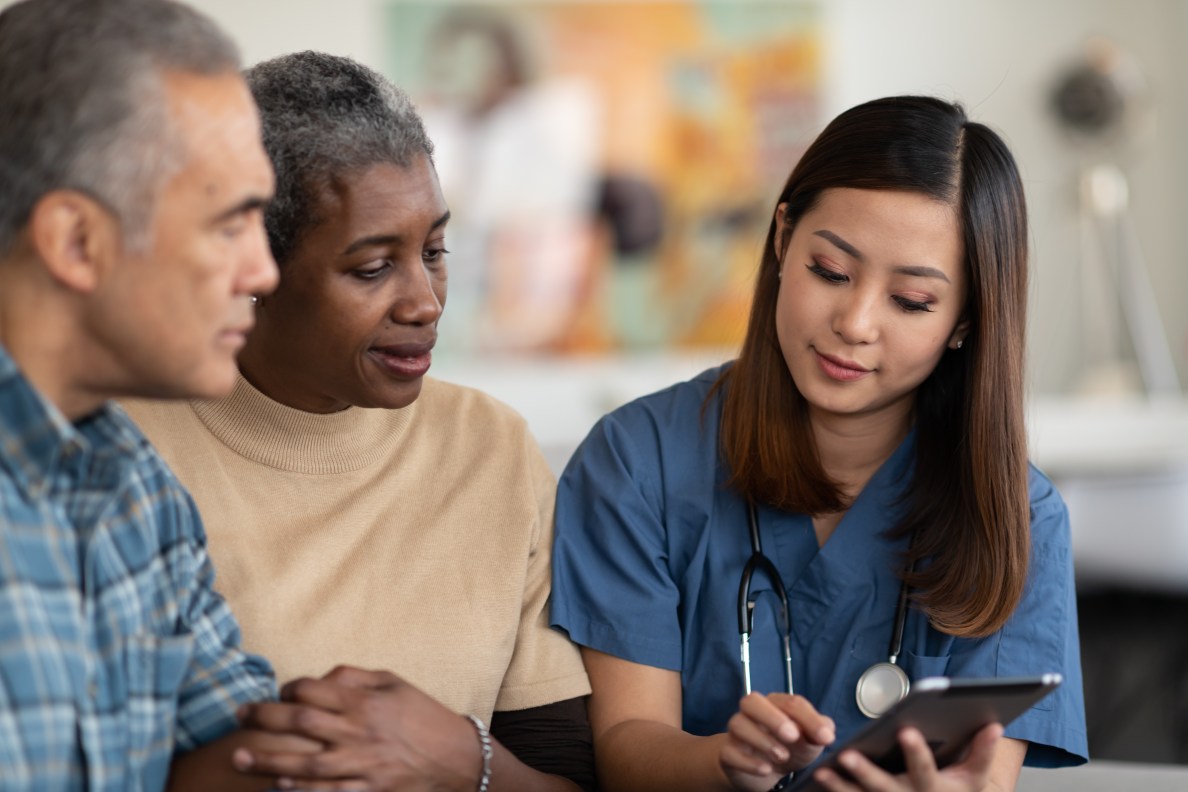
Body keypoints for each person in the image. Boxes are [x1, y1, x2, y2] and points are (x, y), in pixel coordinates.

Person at [549, 95, 1089, 792]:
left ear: (965, 320)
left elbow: (986, 776)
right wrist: (726, 762)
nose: (855, 322)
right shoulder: (636, 463)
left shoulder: (1020, 515)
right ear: (782, 239)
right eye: (830, 271)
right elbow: (627, 749)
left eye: (912, 302)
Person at [123, 51, 595, 792]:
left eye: (434, 251)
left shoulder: (491, 448)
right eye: (373, 268)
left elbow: (568, 779)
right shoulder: (123, 452)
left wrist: (457, 757)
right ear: (253, 271)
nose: (426, 303)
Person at [0, 0, 330, 789]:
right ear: (78, 242)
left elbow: (234, 751)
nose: (263, 273)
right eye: (230, 223)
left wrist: (426, 757)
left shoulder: (139, 493)